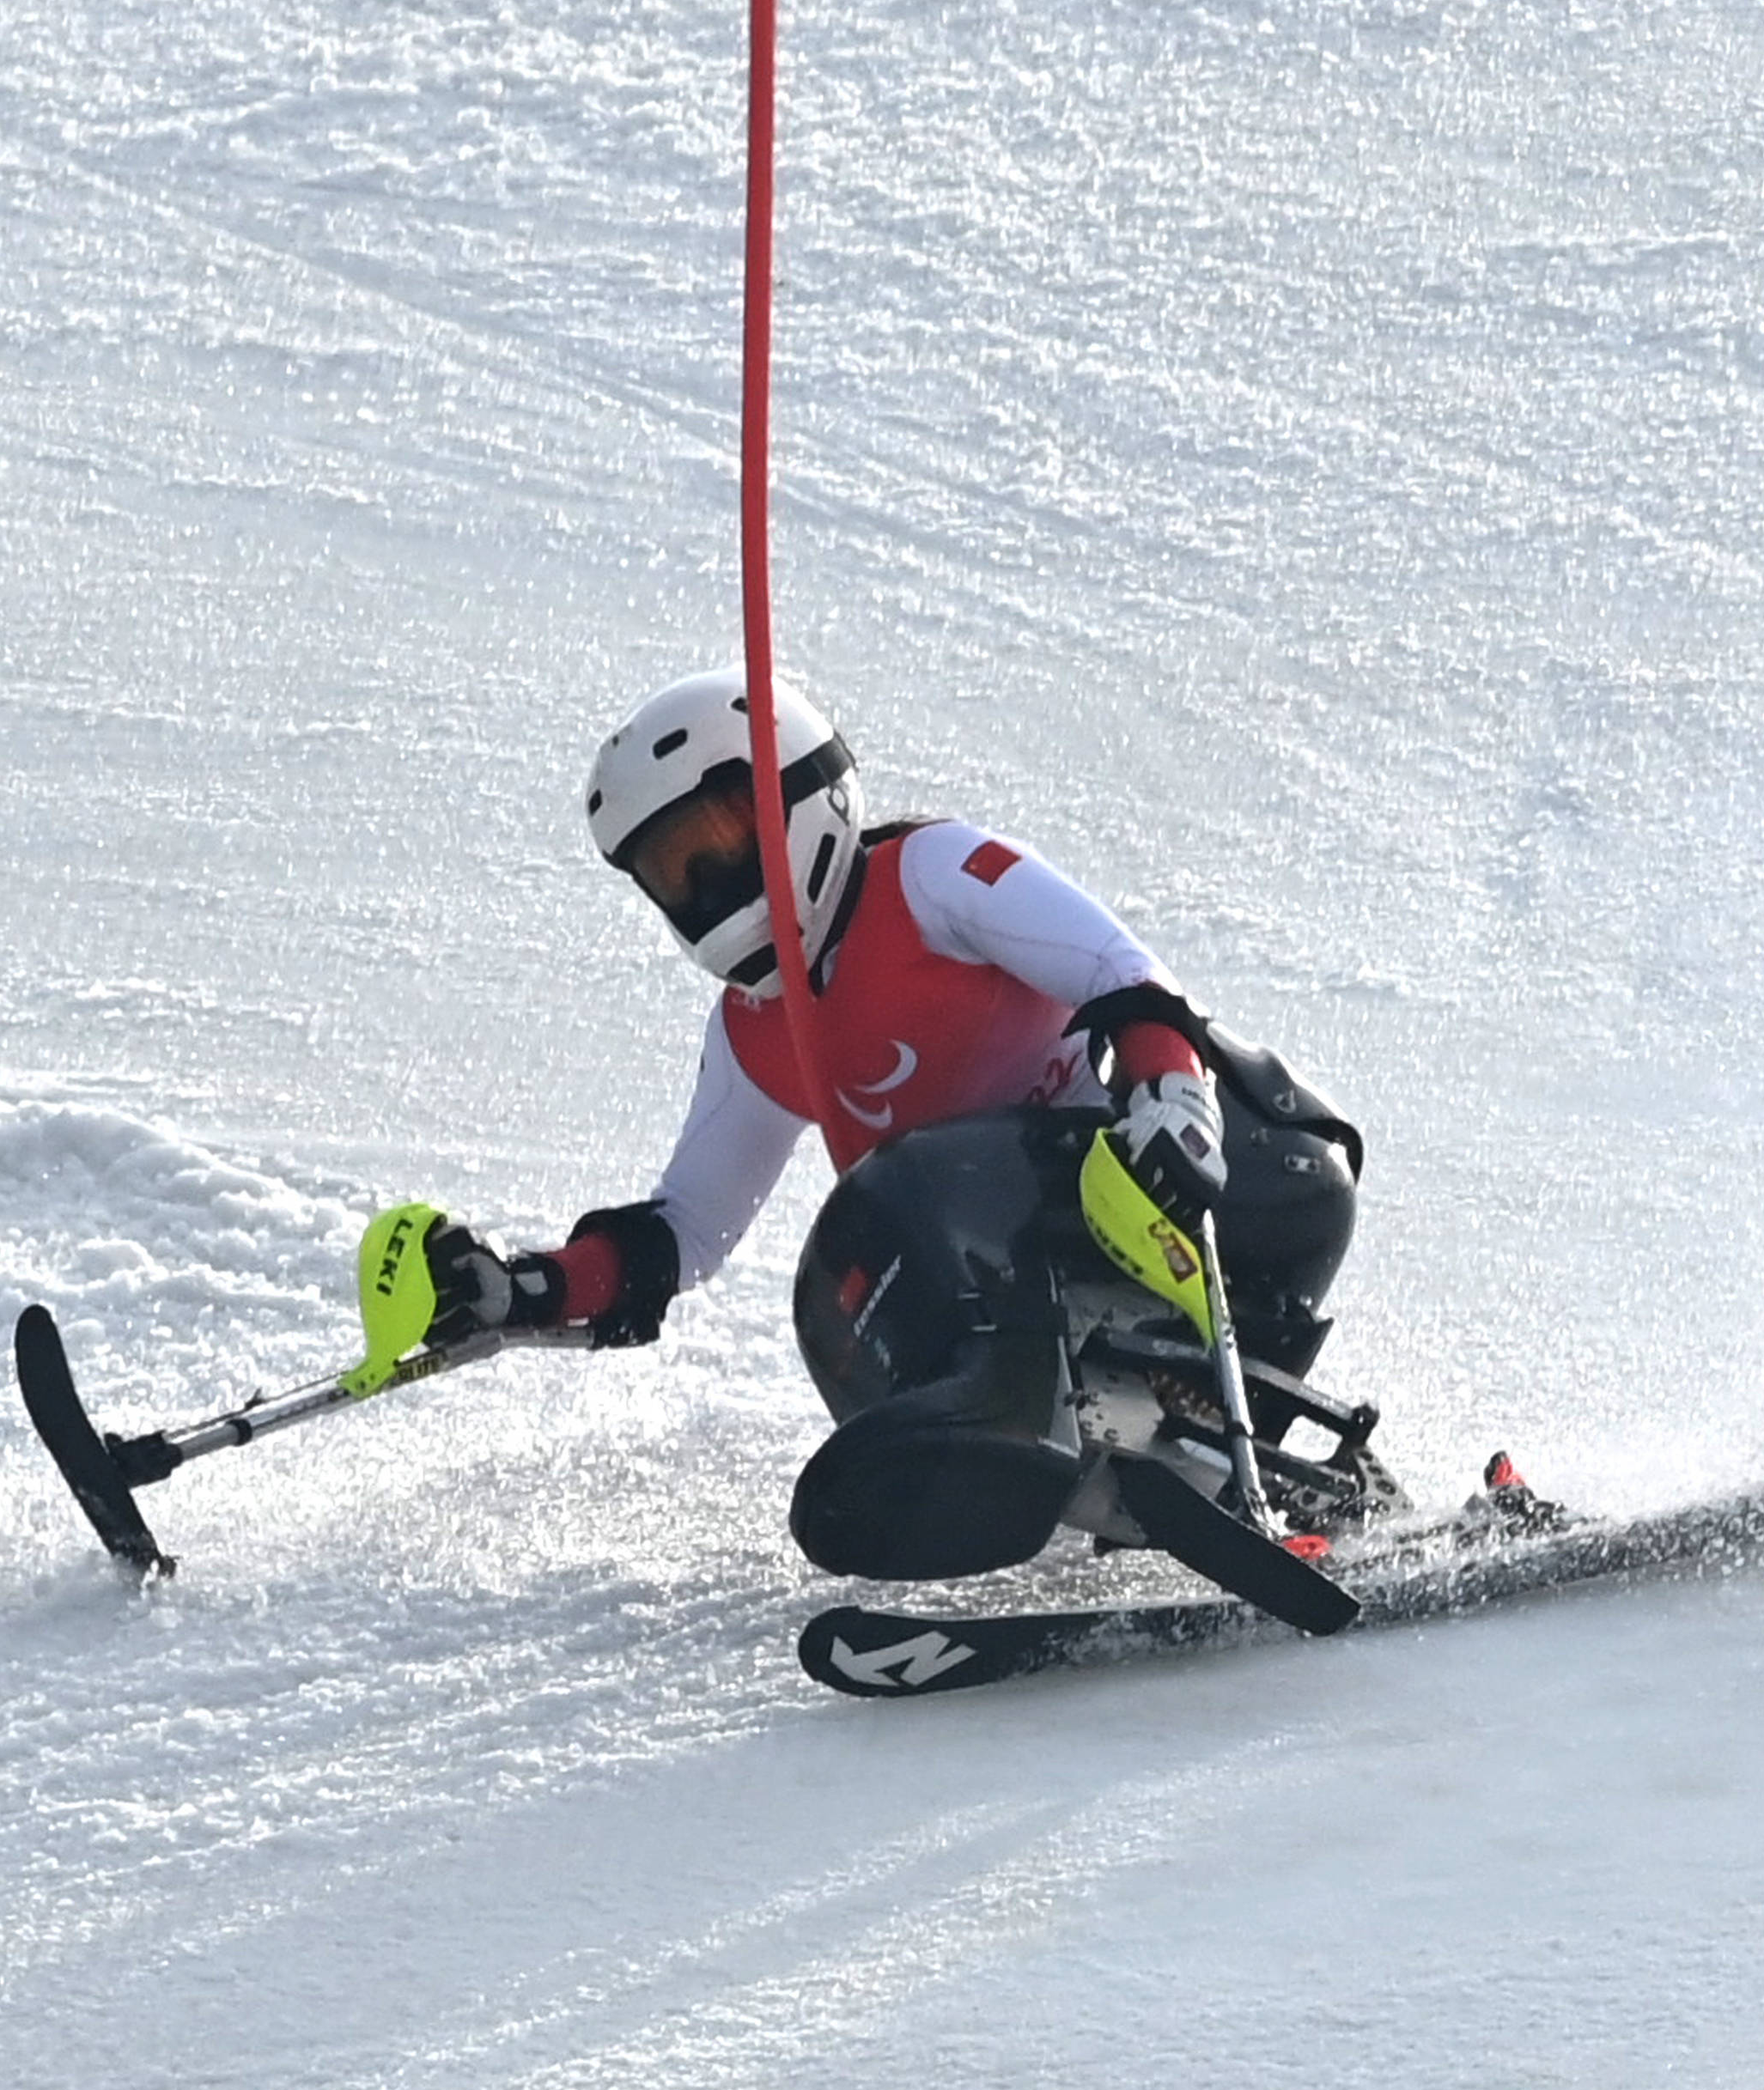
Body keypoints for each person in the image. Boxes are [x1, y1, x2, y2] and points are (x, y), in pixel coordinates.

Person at [355, 671, 1366, 1567]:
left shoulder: (926, 877)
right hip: (1045, 1282)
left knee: (899, 1192)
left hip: (1221, 1186)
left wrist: (1165, 1089)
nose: (710, 892)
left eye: (722, 845)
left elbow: (1119, 971)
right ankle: (1016, 1465)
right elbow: (685, 1230)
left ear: (802, 796)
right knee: (843, 1272)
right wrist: (525, 1290)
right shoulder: (754, 1031)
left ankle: (1053, 1433)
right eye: (677, 875)